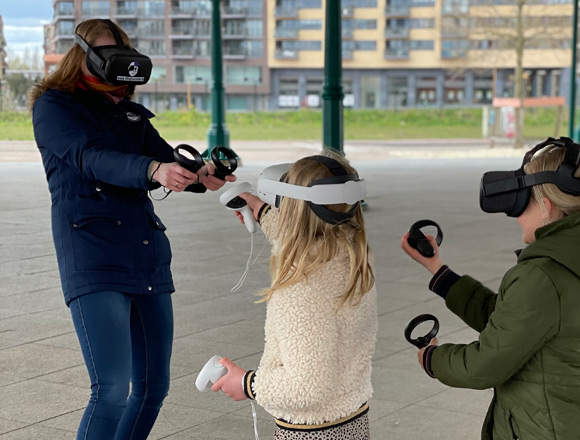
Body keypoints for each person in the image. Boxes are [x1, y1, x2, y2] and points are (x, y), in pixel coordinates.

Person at [29, 19, 234, 440]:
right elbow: (90, 157)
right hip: (92, 253)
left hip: (145, 255)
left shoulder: (128, 111)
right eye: (107, 52)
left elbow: (165, 161)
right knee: (110, 390)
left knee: (153, 388)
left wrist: (202, 174)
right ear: (81, 53)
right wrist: (153, 168)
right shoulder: (54, 106)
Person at [401, 138, 580, 440]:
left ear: (546, 207)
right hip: (573, 422)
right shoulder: (578, 261)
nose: (516, 215)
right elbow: (513, 322)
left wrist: (433, 359)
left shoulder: (543, 275)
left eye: (524, 202)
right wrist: (440, 274)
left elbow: (486, 363)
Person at [212, 155, 378, 439]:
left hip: (311, 431)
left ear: (291, 210)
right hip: (351, 418)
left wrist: (246, 383)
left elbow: (307, 388)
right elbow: (309, 233)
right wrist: (261, 210)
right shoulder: (350, 251)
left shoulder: (301, 286)